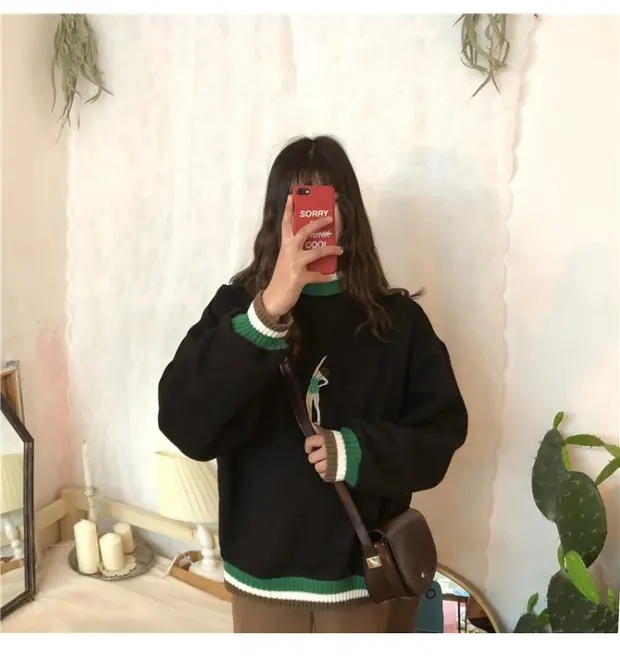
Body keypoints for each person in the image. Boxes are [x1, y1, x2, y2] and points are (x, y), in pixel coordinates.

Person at [157, 135, 468, 633]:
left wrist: (358, 452)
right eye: (299, 203)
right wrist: (267, 312)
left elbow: (441, 434)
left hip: (364, 580)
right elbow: (184, 425)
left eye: (326, 201)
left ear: (349, 212)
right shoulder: (236, 309)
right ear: (277, 217)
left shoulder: (399, 322)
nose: (314, 220)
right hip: (261, 585)